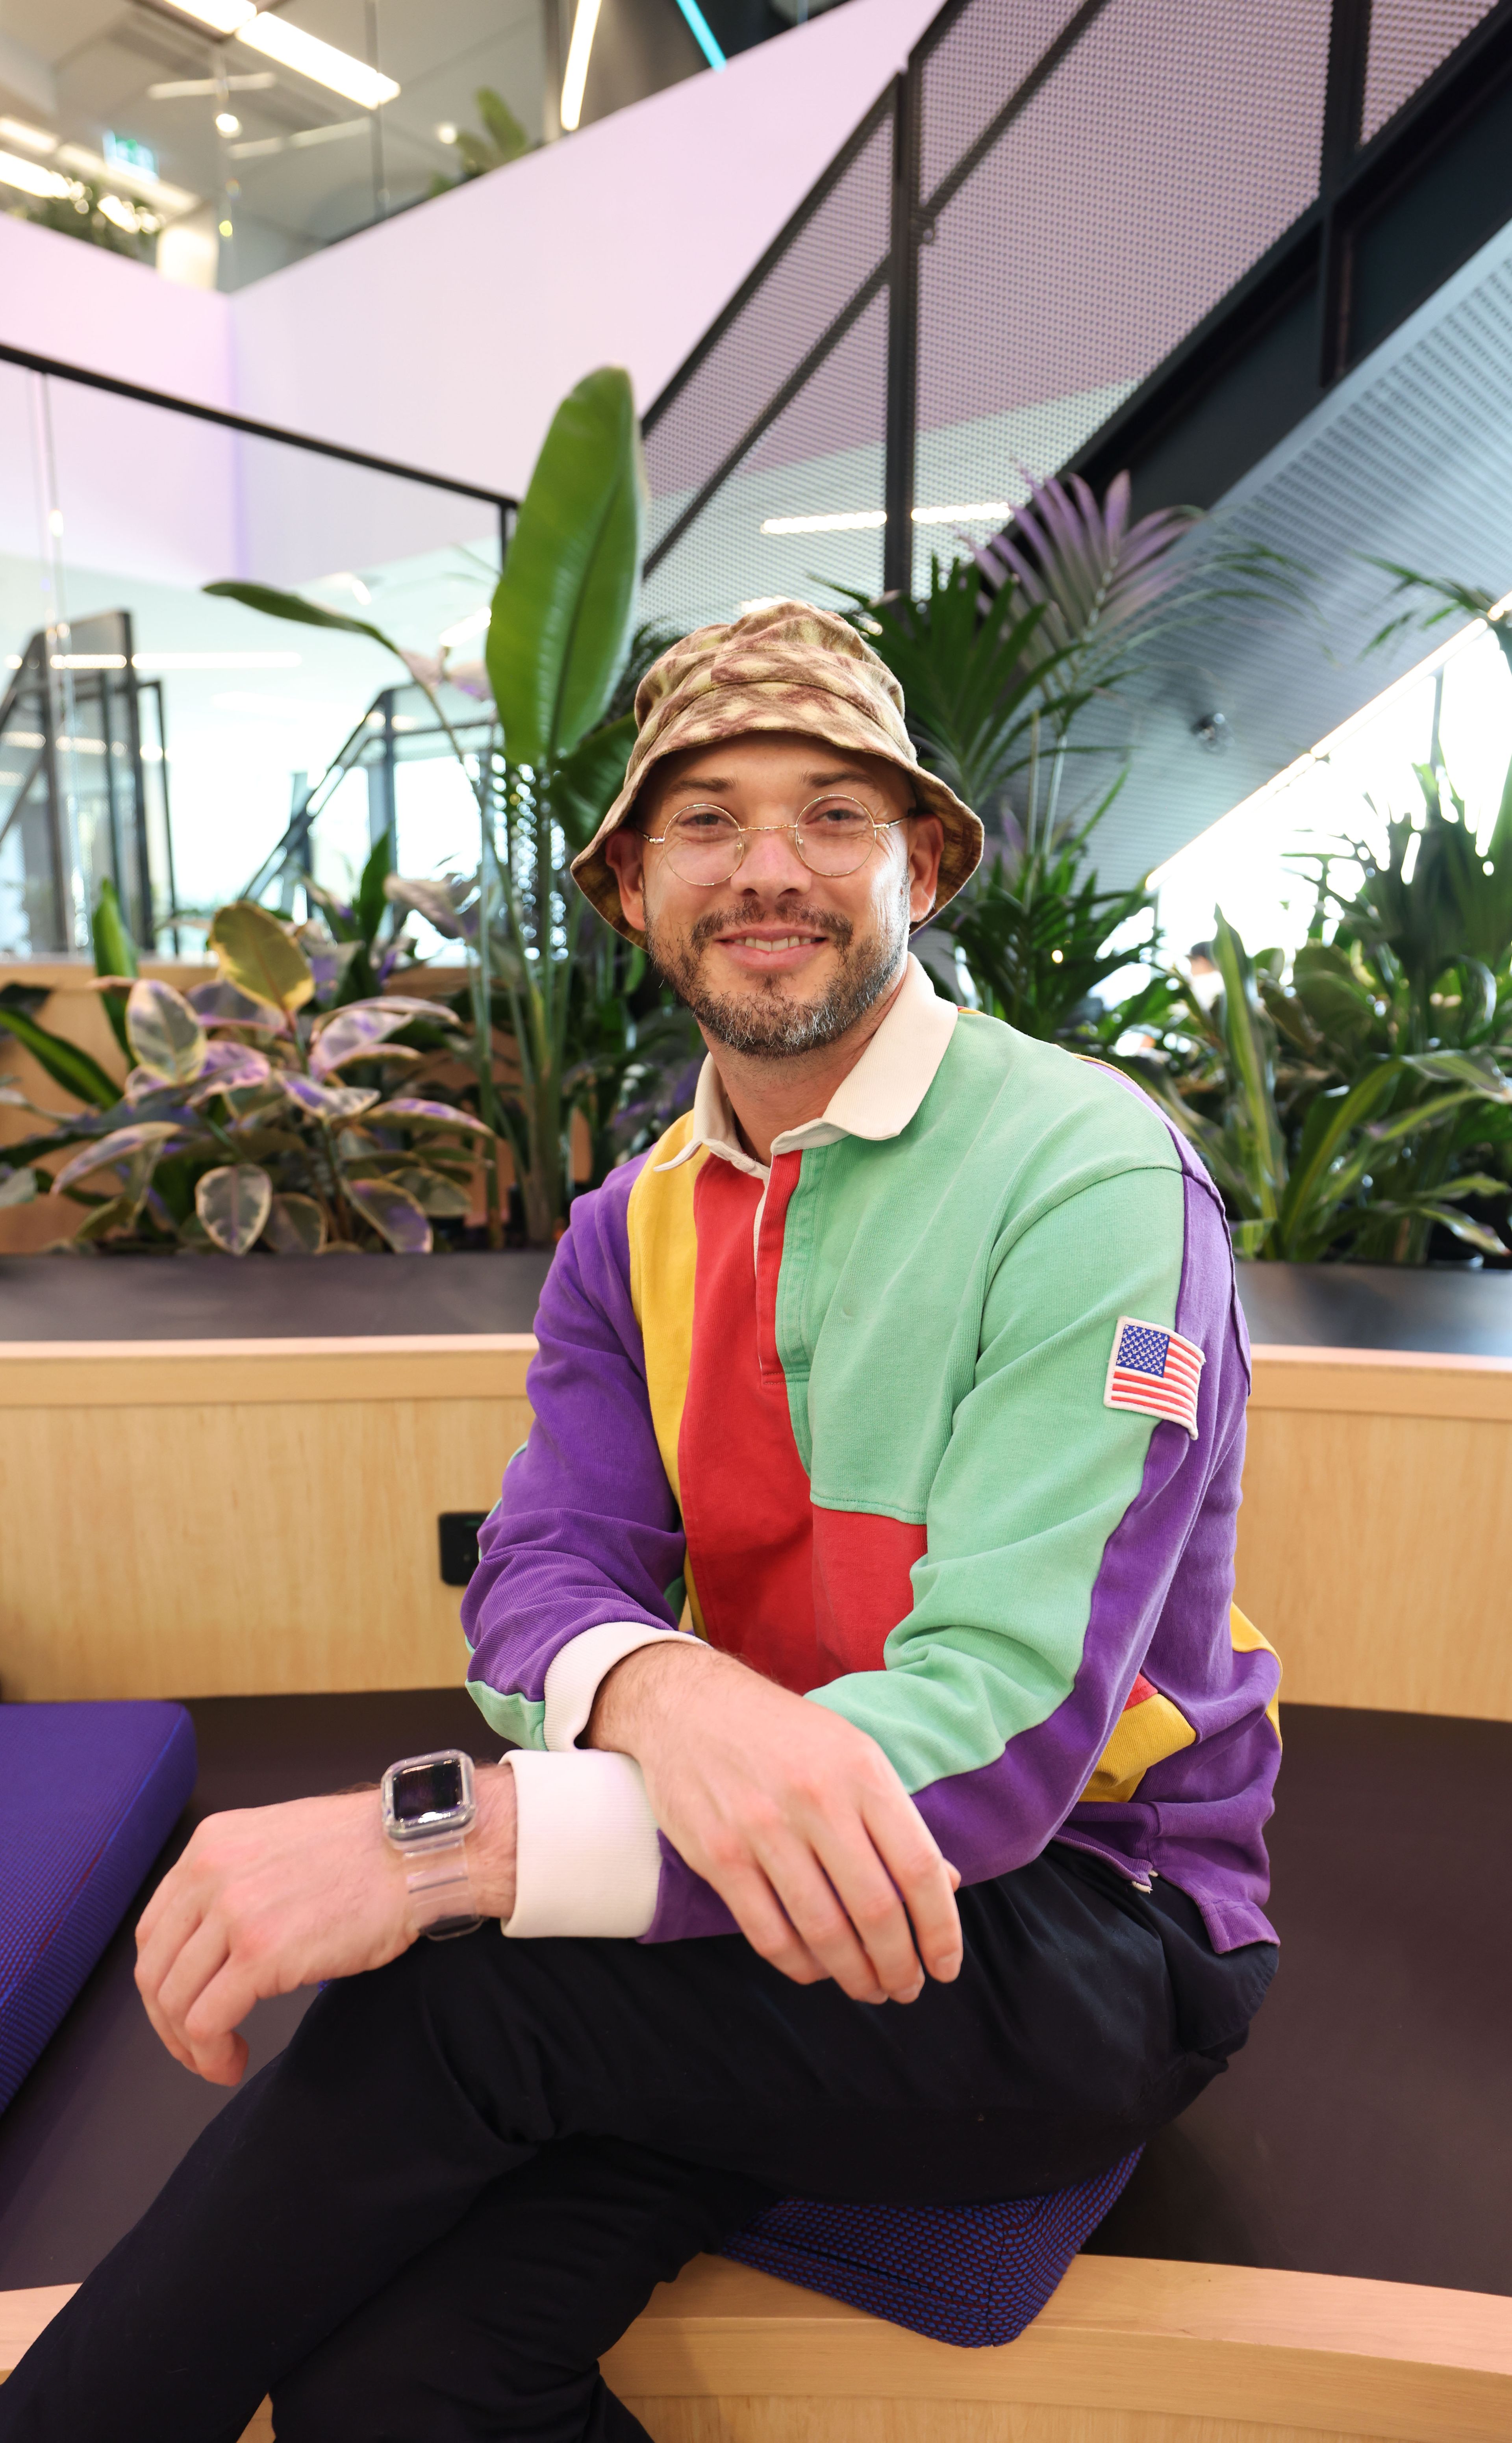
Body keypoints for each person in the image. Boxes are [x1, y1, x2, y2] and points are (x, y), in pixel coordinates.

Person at [1, 602, 1280, 2443]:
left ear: (920, 862)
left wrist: (448, 1846)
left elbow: (1003, 1745)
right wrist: (669, 1702)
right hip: (758, 1892)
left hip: (1083, 1920)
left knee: (458, 1996)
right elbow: (539, 1574)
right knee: (402, 2378)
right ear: (632, 891)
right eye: (708, 820)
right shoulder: (636, 1223)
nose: (771, 867)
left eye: (835, 813)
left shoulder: (1086, 1177)